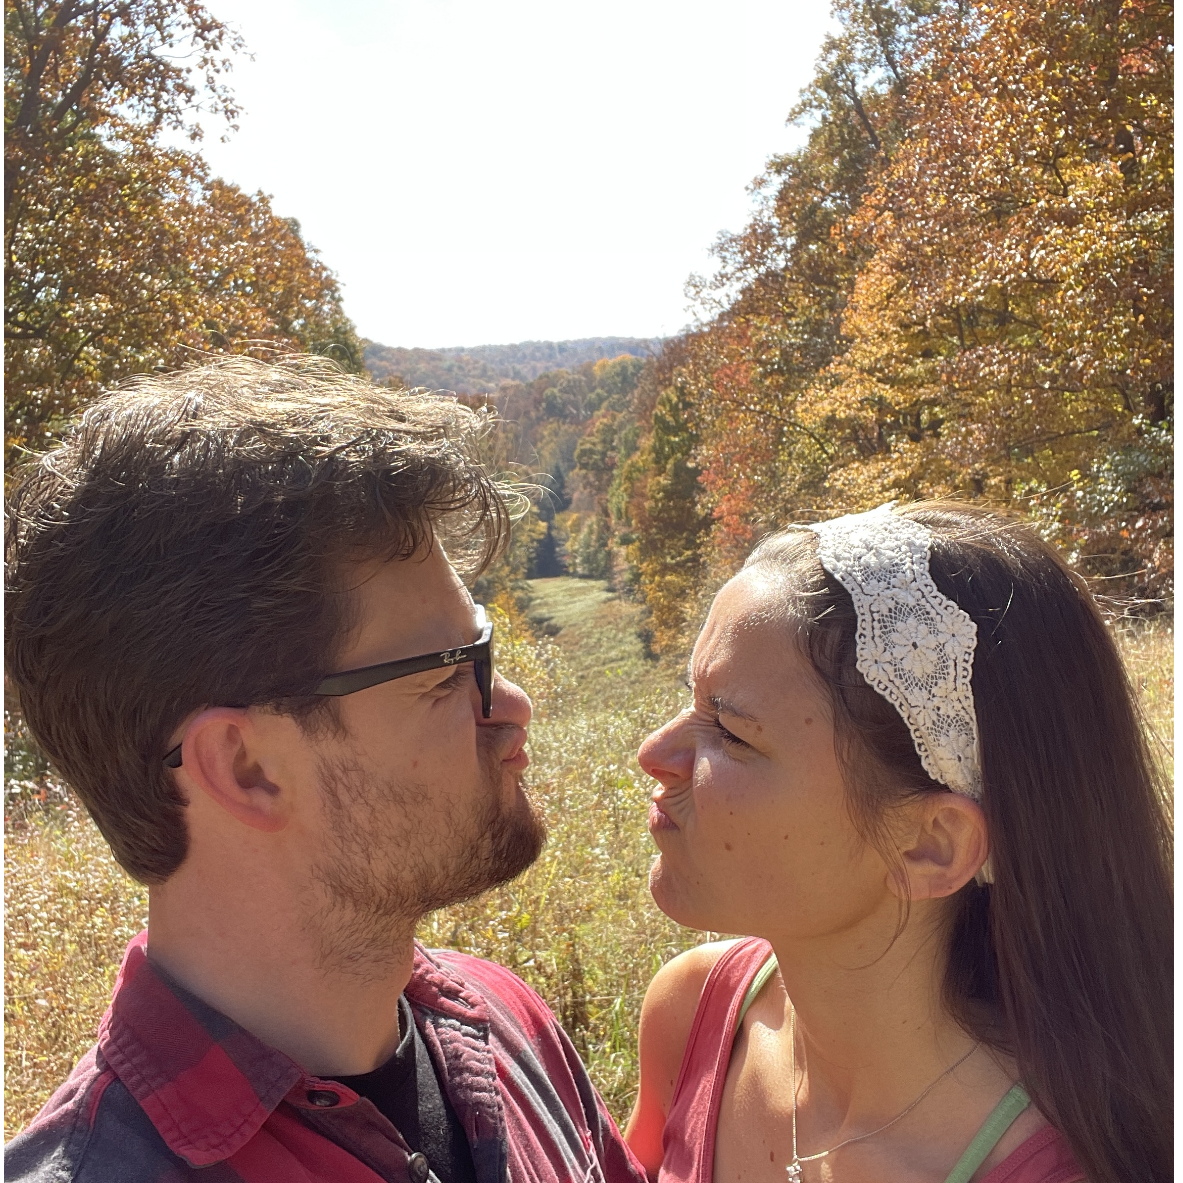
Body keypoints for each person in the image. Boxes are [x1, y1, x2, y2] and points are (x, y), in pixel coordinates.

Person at [5, 356, 647, 1183]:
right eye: (444, 674)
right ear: (246, 767)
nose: (512, 705)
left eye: (482, 651)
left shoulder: (508, 1024)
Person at [625, 502, 1171, 1183]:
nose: (655, 753)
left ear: (930, 846)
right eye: (693, 699)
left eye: (731, 731)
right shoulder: (695, 1016)